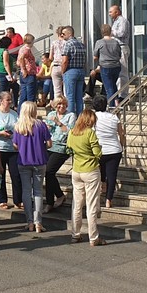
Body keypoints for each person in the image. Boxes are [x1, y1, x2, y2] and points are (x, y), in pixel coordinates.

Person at [66, 108, 104, 246]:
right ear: (90, 120)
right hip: (91, 170)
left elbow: (68, 149)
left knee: (77, 204)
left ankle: (75, 234)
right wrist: (98, 150)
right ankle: (93, 237)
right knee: (91, 205)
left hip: (77, 171)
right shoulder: (90, 133)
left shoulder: (72, 132)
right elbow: (97, 153)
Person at [12, 101, 51, 233]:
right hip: (40, 161)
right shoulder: (41, 125)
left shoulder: (18, 126)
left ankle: (29, 222)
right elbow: (49, 144)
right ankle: (38, 222)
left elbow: (15, 145)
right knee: (38, 192)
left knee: (26, 191)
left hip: (23, 161)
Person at [42, 97, 75, 213]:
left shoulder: (71, 116)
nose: (61, 106)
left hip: (62, 147)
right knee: (47, 173)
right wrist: (47, 128)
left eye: (63, 104)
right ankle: (52, 200)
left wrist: (58, 123)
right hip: (50, 145)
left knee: (49, 171)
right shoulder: (51, 114)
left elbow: (70, 131)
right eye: (59, 104)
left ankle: (56, 198)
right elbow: (47, 129)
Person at [92, 95, 125, 209]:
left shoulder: (93, 117)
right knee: (112, 175)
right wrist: (121, 145)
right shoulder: (113, 117)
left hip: (99, 150)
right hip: (114, 150)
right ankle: (108, 200)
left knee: (98, 173)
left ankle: (100, 189)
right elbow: (121, 133)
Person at [0, 90, 22, 210]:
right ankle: (1, 199)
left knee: (16, 175)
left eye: (11, 100)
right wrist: (1, 133)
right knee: (0, 175)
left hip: (13, 149)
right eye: (7, 100)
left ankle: (18, 200)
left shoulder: (14, 114)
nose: (10, 102)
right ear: (1, 101)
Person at [61, 26, 88, 115]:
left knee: (70, 97)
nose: (62, 36)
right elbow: (85, 60)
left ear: (69, 34)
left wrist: (62, 72)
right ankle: (80, 117)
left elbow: (65, 61)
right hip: (80, 71)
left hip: (70, 71)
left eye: (63, 34)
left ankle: (70, 117)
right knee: (79, 97)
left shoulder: (68, 44)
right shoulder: (81, 44)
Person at [94, 24, 122, 106]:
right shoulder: (116, 42)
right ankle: (117, 101)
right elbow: (120, 55)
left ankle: (112, 107)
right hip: (116, 66)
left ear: (101, 32)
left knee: (109, 88)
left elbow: (95, 56)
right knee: (113, 84)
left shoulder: (99, 42)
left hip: (105, 67)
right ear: (110, 32)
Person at [109, 5, 131, 88]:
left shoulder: (122, 21)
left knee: (122, 71)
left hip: (122, 47)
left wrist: (111, 32)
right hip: (116, 48)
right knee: (117, 71)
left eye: (111, 12)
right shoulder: (115, 21)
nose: (109, 14)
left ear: (117, 12)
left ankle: (123, 94)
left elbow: (121, 33)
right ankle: (118, 92)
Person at [16, 34, 38, 109]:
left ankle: (20, 113)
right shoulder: (27, 49)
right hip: (29, 74)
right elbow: (21, 59)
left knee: (23, 96)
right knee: (30, 96)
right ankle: (29, 113)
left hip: (24, 74)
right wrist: (24, 70)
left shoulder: (21, 48)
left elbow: (18, 61)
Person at [50, 26, 66, 105]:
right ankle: (66, 106)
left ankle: (57, 107)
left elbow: (50, 57)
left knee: (57, 90)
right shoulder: (66, 42)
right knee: (66, 90)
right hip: (64, 66)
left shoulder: (54, 42)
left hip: (55, 66)